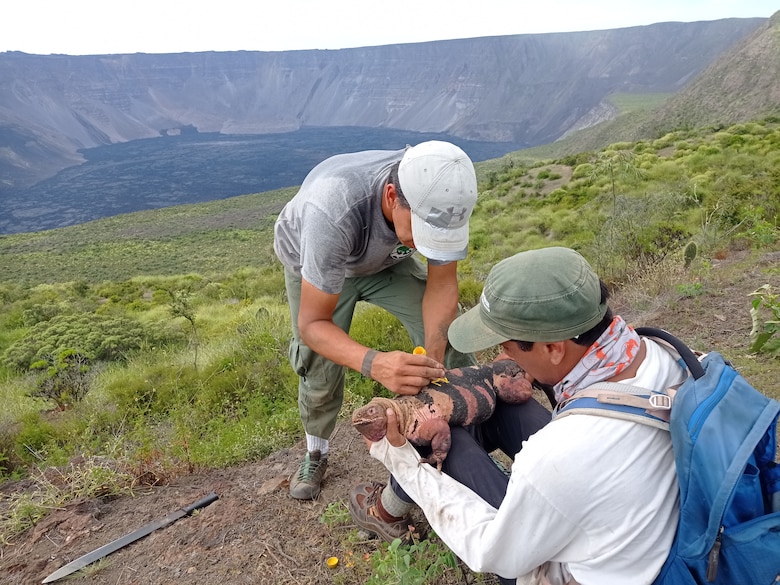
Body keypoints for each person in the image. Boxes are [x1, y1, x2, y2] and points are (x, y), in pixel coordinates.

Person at [363, 246, 686, 585]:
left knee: (452, 443)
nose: (500, 354)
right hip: (653, 532)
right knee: (500, 409)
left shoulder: (554, 457)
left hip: (594, 568)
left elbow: (491, 552)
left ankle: (385, 508)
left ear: (553, 348)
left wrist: (398, 455)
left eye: (506, 346)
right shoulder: (666, 355)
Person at [273, 141, 478, 521]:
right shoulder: (331, 210)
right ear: (390, 196)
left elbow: (443, 286)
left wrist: (431, 357)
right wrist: (375, 363)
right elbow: (313, 324)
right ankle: (316, 451)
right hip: (319, 266)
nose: (426, 246)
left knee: (450, 339)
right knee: (319, 364)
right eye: (421, 235)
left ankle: (468, 431)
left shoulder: (440, 192)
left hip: (382, 262)